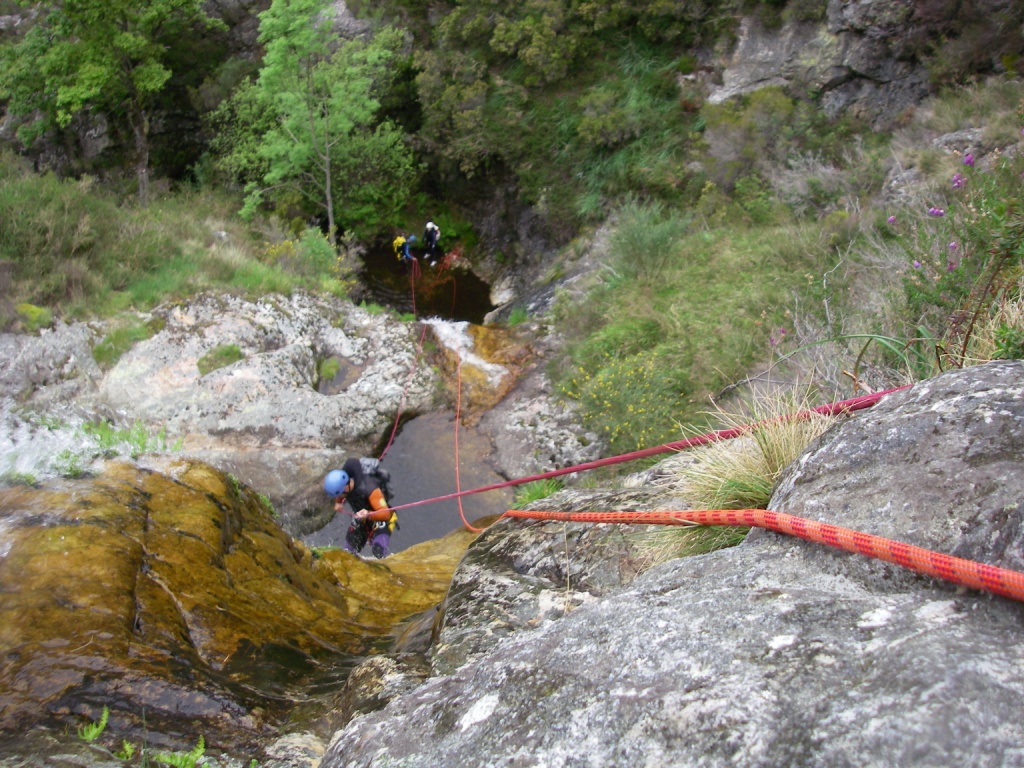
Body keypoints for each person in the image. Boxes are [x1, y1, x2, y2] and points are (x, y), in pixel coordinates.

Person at [323, 458, 398, 558]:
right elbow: (340, 495)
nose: (340, 496)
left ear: (346, 487)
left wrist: (367, 514)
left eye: (341, 494)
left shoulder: (370, 488)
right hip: (361, 519)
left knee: (378, 552)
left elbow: (385, 514)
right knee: (347, 554)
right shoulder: (345, 486)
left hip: (381, 518)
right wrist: (338, 503)